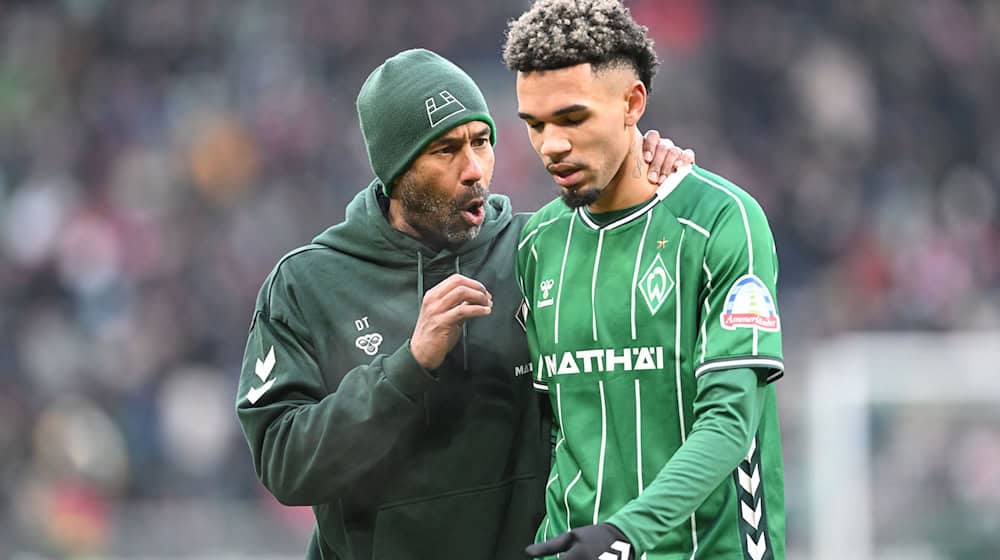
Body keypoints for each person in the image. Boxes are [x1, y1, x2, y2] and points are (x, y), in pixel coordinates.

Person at [234, 48, 694, 559]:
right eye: (446, 150)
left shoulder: (543, 249)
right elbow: (284, 466)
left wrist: (653, 183)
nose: (474, 168)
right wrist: (410, 367)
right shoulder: (307, 284)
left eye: (482, 141)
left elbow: (641, 356)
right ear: (396, 168)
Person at [503, 1, 787, 559]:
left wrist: (626, 533)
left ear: (633, 103)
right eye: (534, 124)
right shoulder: (538, 243)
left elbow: (729, 421)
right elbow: (557, 433)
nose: (550, 144)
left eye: (572, 118)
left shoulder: (721, 221)